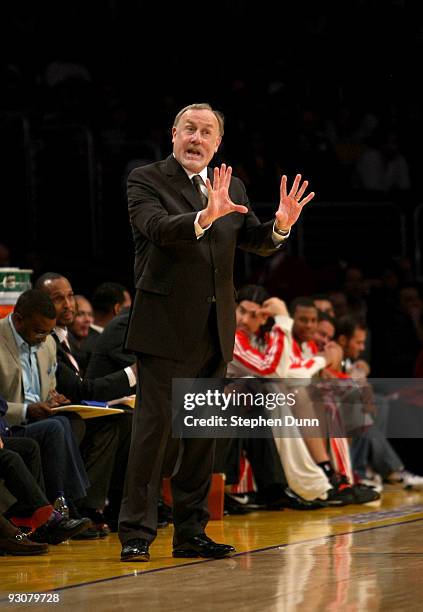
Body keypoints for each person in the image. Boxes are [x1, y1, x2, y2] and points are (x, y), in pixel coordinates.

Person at [119, 102, 315, 562]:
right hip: (164, 332)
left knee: (202, 440)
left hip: (214, 332)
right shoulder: (146, 179)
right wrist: (204, 217)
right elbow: (157, 229)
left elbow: (252, 238)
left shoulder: (230, 185)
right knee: (154, 438)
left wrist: (280, 228)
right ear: (173, 133)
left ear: (217, 143)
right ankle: (135, 532)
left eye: (207, 132)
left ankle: (191, 532)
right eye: (189, 129)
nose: (197, 139)